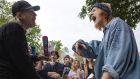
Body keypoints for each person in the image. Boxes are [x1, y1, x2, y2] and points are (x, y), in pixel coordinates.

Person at [72, 3, 140, 79]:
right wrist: (81, 46)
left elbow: (116, 57)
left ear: (105, 12)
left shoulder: (117, 24)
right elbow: (96, 49)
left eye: (94, 10)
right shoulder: (107, 33)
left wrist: (106, 76)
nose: (91, 13)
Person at [0, 0, 42, 79]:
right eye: (31, 12)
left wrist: (38, 57)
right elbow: (23, 64)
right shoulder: (14, 29)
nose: (35, 14)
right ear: (20, 15)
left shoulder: (11, 29)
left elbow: (19, 56)